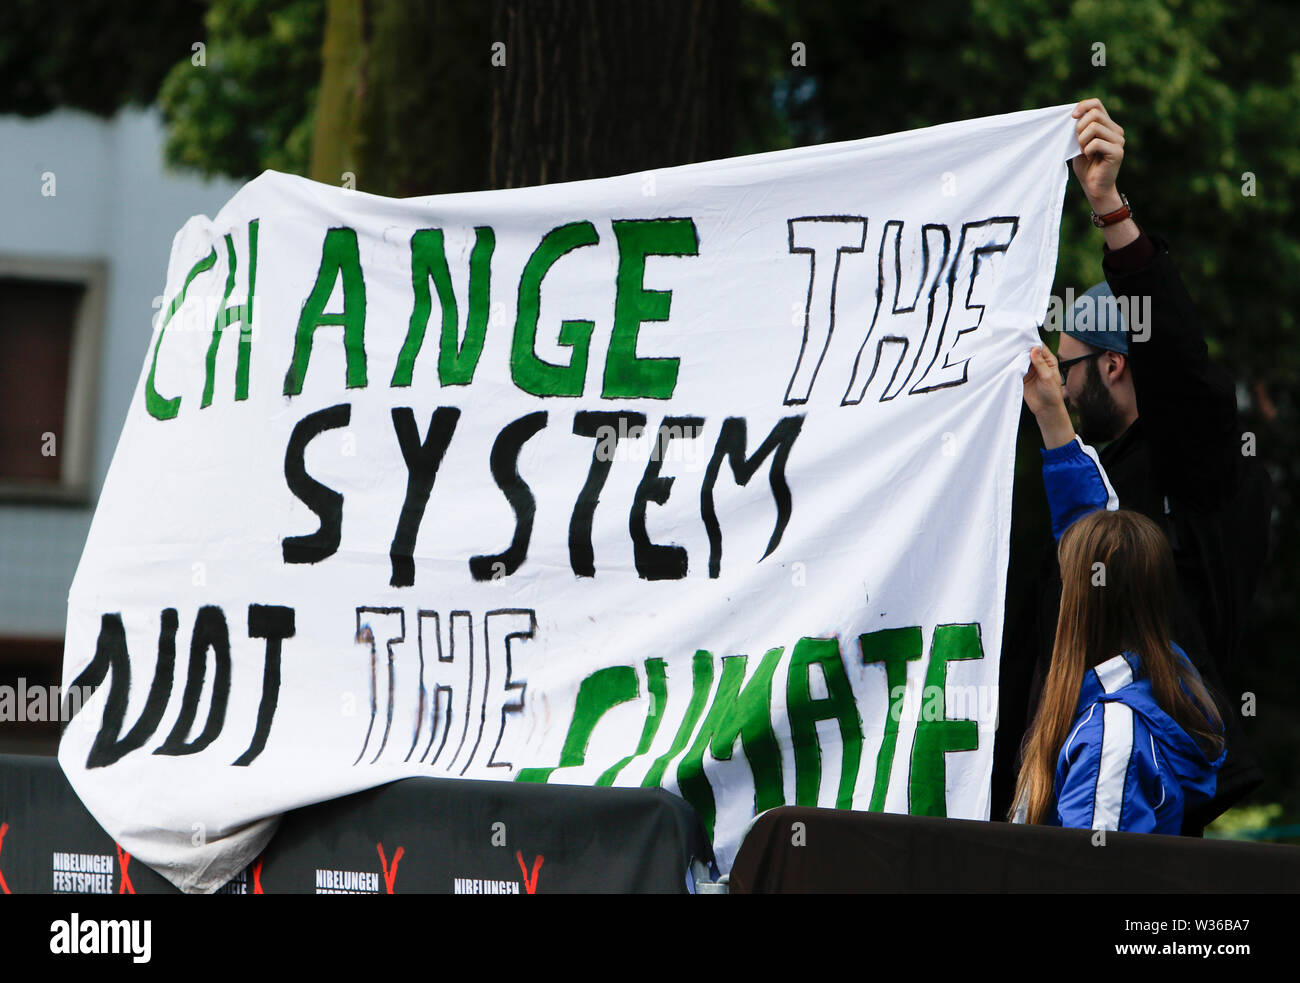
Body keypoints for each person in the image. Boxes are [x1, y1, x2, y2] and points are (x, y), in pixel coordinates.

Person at [992, 98, 1271, 832]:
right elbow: (1085, 510)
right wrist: (1051, 417)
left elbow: (1182, 370)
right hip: (1042, 800)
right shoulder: (1088, 472)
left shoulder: (1199, 473)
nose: (1057, 378)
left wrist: (1110, 206)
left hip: (1137, 804)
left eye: (1070, 364)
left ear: (1116, 363)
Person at [1010, 346, 1225, 832]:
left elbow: (1091, 880)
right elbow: (1090, 531)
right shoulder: (1148, 676)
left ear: (1083, 602)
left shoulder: (1112, 737)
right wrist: (1050, 410)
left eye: (1066, 579)